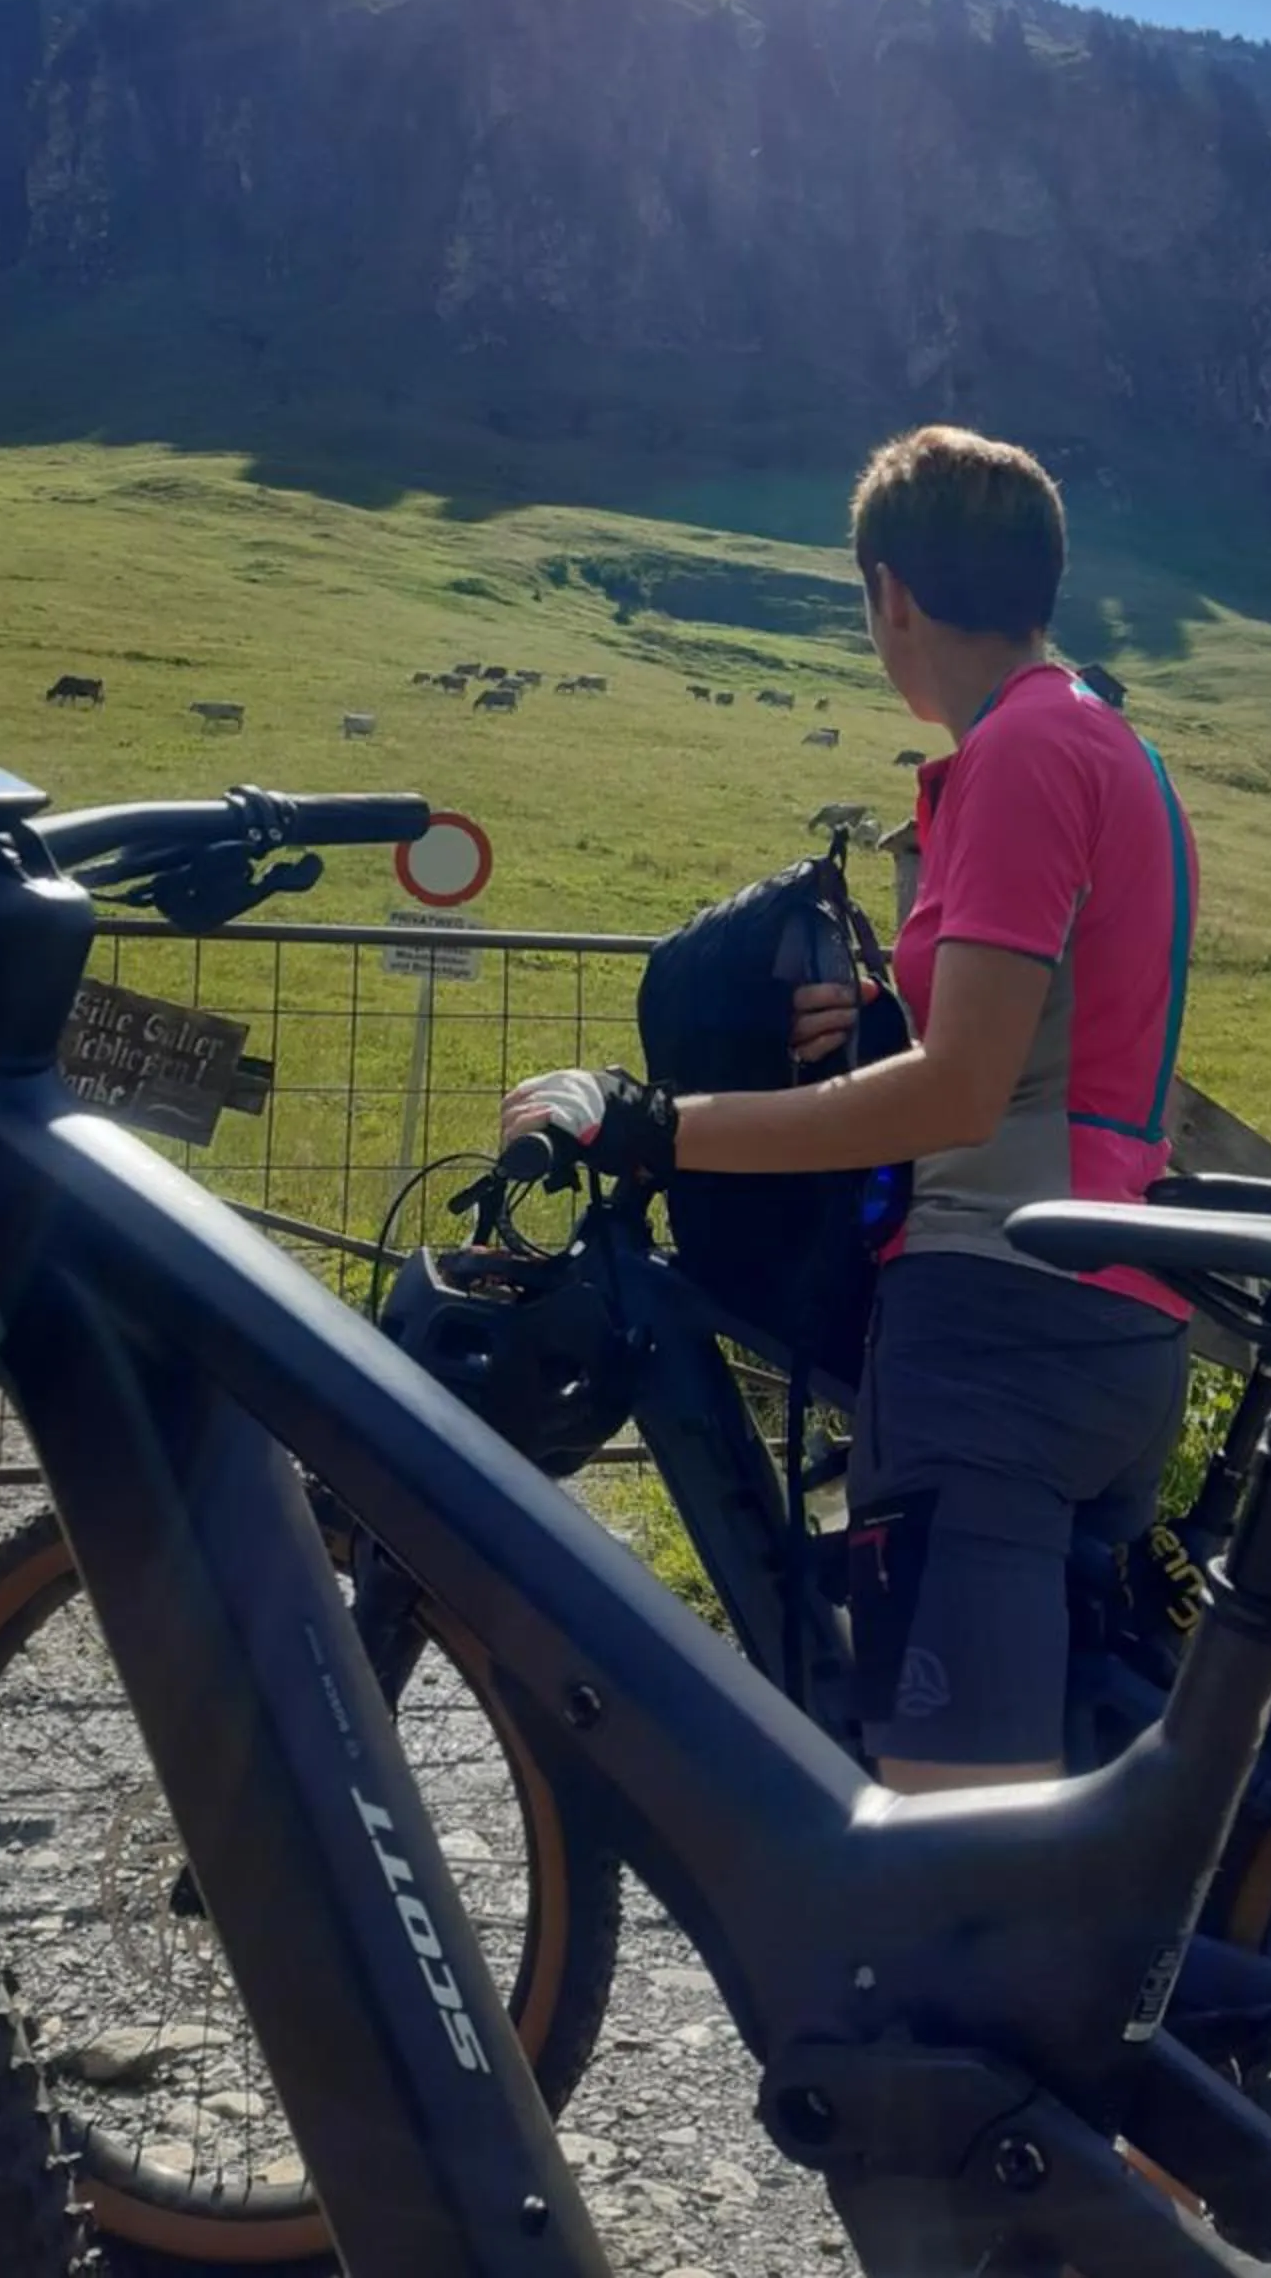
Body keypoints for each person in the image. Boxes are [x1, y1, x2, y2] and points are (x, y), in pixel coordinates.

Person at [502, 425, 1197, 1794]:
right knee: (1064, 1784)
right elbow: (1045, 1052)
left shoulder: (1018, 755)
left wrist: (658, 1125)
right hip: (1115, 1306)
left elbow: (961, 1092)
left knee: (952, 1825)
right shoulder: (1107, 742)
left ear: (887, 593)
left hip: (999, 1318)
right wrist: (870, 1026)